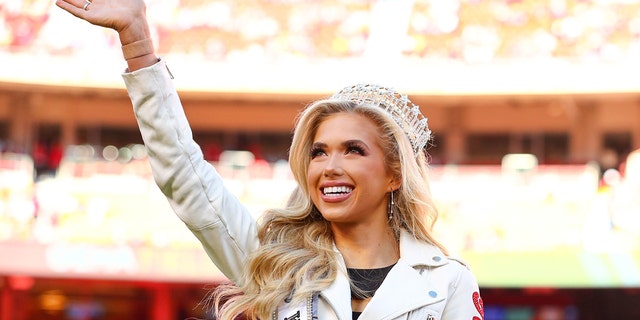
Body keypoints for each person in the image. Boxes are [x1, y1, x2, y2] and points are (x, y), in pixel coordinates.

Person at [56, 0, 484, 319]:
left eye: (353, 150)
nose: (329, 166)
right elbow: (186, 182)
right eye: (318, 152)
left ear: (394, 174)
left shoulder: (447, 281)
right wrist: (137, 41)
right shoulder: (274, 261)